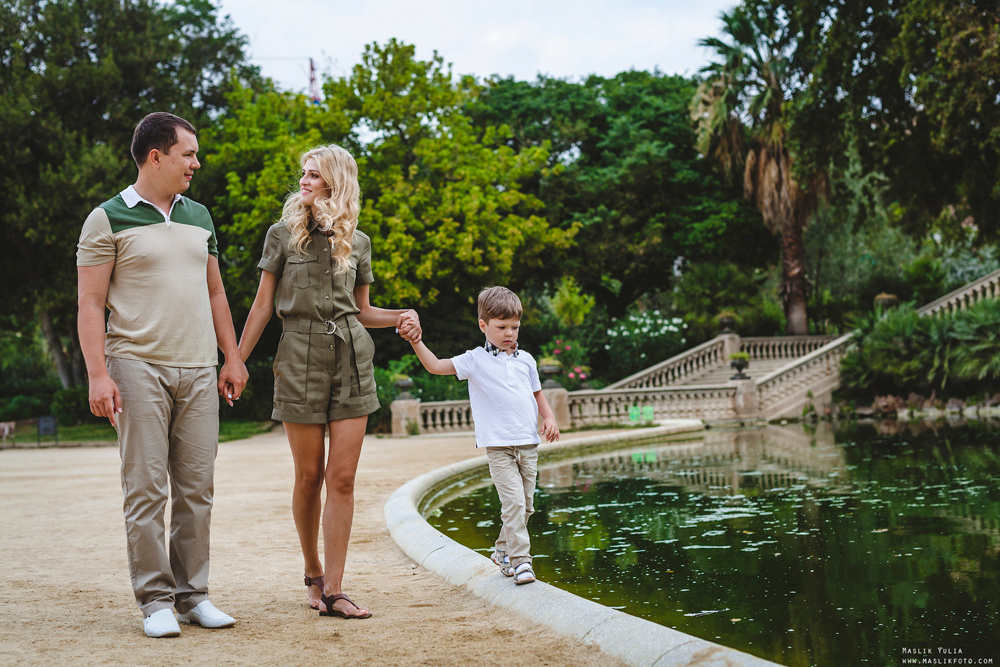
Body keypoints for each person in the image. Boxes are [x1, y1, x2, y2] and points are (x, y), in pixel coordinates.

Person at [77, 112, 249, 638]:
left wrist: (233, 356)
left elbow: (216, 292)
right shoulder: (107, 219)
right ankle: (154, 600)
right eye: (188, 154)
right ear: (157, 156)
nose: (196, 163)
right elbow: (89, 302)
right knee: (147, 489)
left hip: (198, 368)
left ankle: (192, 595)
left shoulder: (200, 216)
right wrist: (97, 375)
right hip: (135, 367)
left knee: (197, 489)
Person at [237, 144, 420, 619]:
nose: (303, 181)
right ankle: (313, 570)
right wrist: (235, 361)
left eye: (313, 175)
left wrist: (402, 315)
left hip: (352, 357)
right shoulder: (281, 235)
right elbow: (261, 306)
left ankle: (336, 590)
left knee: (341, 478)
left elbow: (361, 310)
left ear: (335, 183)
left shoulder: (357, 241)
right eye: (303, 173)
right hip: (296, 356)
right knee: (308, 476)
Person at [408, 286, 559, 585]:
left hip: (528, 445)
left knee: (526, 506)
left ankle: (503, 550)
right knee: (513, 504)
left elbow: (537, 394)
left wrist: (550, 416)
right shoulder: (474, 360)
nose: (509, 333)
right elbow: (435, 366)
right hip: (499, 448)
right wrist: (417, 341)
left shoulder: (526, 360)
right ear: (483, 326)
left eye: (514, 327)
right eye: (502, 327)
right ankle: (521, 562)